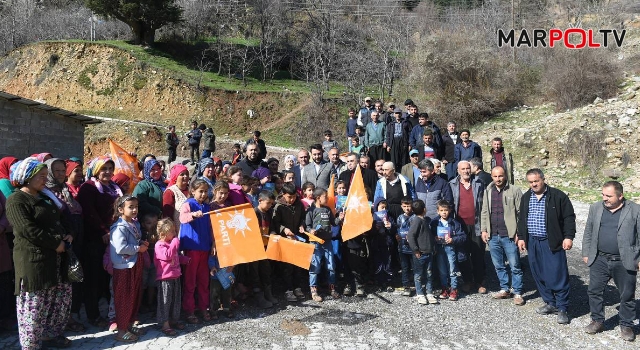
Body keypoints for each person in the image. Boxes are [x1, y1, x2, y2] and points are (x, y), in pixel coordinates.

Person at [6, 158, 74, 349]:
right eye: (41, 176)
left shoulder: (45, 197)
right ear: (27, 177)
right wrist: (55, 243)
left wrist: (69, 234)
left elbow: (61, 218)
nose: (45, 180)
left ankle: (50, 336)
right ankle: (31, 344)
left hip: (56, 259)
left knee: (57, 301)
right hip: (34, 261)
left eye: (46, 176)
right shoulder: (16, 199)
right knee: (34, 306)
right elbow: (27, 230)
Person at [517, 168, 575, 325]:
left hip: (552, 242)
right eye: (531, 182)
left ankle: (562, 308)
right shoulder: (526, 197)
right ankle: (550, 303)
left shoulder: (558, 196)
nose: (534, 184)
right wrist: (521, 237)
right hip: (533, 242)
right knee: (538, 273)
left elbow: (569, 217)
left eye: (536, 181)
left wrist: (568, 237)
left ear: (543, 179)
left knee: (558, 274)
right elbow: (522, 218)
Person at [582, 181, 639, 341]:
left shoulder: (635, 210)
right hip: (599, 258)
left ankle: (626, 325)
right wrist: (586, 252)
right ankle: (597, 321)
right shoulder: (596, 208)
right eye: (603, 194)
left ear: (620, 196)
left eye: (609, 196)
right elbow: (588, 231)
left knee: (627, 295)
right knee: (594, 291)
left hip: (624, 260)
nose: (604, 198)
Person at [76, 156, 124, 329]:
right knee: (93, 278)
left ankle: (112, 314)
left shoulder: (114, 187)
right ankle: (93, 315)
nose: (108, 172)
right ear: (96, 170)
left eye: (111, 168)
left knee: (108, 278)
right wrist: (103, 231)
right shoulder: (88, 188)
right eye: (104, 168)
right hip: (95, 239)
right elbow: (89, 212)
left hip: (115, 238)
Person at [43, 158, 86, 332]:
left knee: (69, 282)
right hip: (55, 244)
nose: (61, 174)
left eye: (63, 170)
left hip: (71, 238)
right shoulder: (45, 192)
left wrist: (72, 234)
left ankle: (66, 319)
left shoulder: (64, 189)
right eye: (57, 171)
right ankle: (53, 324)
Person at [480, 166, 524, 305]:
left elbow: (521, 214)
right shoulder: (488, 191)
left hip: (509, 235)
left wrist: (520, 233)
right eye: (495, 176)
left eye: (500, 176)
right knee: (499, 265)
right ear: (491, 177)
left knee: (515, 265)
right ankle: (504, 288)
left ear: (505, 176)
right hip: (493, 235)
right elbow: (484, 211)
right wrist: (484, 230)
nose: (498, 179)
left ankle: (517, 292)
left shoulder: (514, 191)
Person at [110, 195, 148, 343]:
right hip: (124, 267)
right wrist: (138, 248)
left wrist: (140, 244)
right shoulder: (119, 227)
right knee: (124, 298)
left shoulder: (134, 224)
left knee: (134, 295)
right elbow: (120, 248)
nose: (134, 210)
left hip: (133, 264)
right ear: (121, 210)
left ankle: (129, 324)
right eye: (130, 207)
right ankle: (121, 331)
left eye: (136, 207)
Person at [179, 179, 214, 324]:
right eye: (200, 191)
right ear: (193, 191)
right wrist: (193, 215)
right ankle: (189, 310)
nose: (203, 194)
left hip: (205, 248)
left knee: (204, 280)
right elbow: (182, 218)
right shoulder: (188, 204)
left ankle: (203, 308)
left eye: (206, 191)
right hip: (192, 248)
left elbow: (211, 226)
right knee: (190, 281)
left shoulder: (207, 206)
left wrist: (213, 244)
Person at [449, 161, 486, 295]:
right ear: (458, 170)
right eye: (463, 169)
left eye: (468, 168)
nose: (466, 171)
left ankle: (480, 282)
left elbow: (485, 204)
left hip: (476, 224)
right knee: (462, 255)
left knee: (478, 254)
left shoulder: (479, 183)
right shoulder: (452, 184)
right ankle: (467, 280)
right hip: (460, 226)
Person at [271, 182, 307, 302]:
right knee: (287, 266)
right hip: (285, 240)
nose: (291, 199)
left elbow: (303, 217)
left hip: (296, 238)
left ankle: (297, 287)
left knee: (297, 265)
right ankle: (288, 289)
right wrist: (284, 229)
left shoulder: (299, 204)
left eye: (294, 197)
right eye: (289, 197)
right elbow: (275, 223)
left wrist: (302, 225)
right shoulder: (278, 206)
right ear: (283, 195)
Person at [306, 188, 343, 302]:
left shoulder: (327, 209)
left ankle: (331, 288)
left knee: (331, 266)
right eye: (325, 196)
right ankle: (314, 291)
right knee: (315, 267)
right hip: (315, 243)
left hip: (327, 242)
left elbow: (333, 222)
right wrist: (311, 230)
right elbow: (306, 226)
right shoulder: (310, 210)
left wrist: (340, 218)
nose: (327, 198)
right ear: (318, 198)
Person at [154, 218, 189, 336]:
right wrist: (175, 242)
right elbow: (168, 256)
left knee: (175, 300)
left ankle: (174, 320)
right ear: (163, 234)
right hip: (165, 279)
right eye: (172, 231)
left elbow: (175, 257)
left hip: (175, 277)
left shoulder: (170, 244)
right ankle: (165, 324)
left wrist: (185, 260)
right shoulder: (159, 245)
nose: (174, 234)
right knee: (165, 301)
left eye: (174, 231)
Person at [431, 200, 466, 302]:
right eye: (441, 210)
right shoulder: (434, 223)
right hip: (439, 249)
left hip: (450, 248)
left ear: (450, 210)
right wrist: (434, 238)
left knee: (452, 269)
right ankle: (444, 288)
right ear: (438, 211)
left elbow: (463, 236)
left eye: (446, 210)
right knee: (442, 270)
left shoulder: (454, 223)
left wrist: (453, 239)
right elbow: (429, 235)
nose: (444, 212)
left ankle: (454, 289)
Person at [252, 191, 279, 308]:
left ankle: (268, 293)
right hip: (255, 249)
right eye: (268, 203)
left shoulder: (269, 214)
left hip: (266, 247)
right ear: (260, 201)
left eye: (271, 204)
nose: (269, 206)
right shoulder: (254, 213)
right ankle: (259, 297)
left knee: (266, 271)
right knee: (255, 273)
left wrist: (273, 234)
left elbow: (272, 228)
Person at [406, 199, 436, 305]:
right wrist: (415, 249)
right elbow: (410, 235)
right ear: (424, 209)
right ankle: (419, 293)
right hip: (420, 253)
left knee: (429, 273)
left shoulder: (425, 220)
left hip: (428, 252)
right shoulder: (417, 221)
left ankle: (429, 292)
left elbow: (428, 236)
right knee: (418, 274)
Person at [395, 196, 415, 296]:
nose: (407, 208)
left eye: (409, 206)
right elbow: (397, 229)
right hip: (402, 248)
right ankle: (406, 286)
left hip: (413, 248)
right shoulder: (400, 218)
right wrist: (397, 236)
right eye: (405, 206)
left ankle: (416, 285)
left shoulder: (415, 217)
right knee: (405, 267)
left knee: (415, 267)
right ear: (401, 206)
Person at [162, 164, 190, 230]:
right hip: (178, 230)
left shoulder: (191, 190)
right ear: (176, 177)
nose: (185, 176)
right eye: (182, 174)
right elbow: (167, 216)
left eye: (187, 174)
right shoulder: (170, 192)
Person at [385, 108, 412, 172]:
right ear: (394, 114)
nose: (398, 115)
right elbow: (388, 135)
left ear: (401, 114)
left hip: (403, 142)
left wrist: (410, 144)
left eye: (399, 113)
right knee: (394, 159)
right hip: (394, 142)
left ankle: (404, 173)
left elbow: (410, 133)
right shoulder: (390, 124)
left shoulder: (406, 123)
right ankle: (395, 173)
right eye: (396, 113)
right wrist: (388, 145)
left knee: (404, 158)